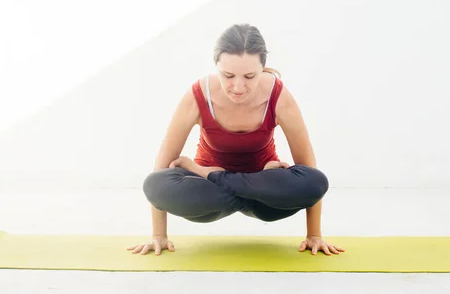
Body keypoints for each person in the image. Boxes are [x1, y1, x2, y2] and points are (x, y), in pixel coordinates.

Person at [127, 24, 344, 257]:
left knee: (316, 182)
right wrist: (159, 236)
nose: (238, 87)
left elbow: (308, 172)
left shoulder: (278, 96)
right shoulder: (198, 95)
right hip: (211, 197)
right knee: (154, 184)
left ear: (263, 68)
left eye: (250, 76)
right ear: (216, 67)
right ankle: (217, 179)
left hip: (264, 197)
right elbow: (161, 170)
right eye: (228, 76)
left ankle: (214, 175)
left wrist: (314, 235)